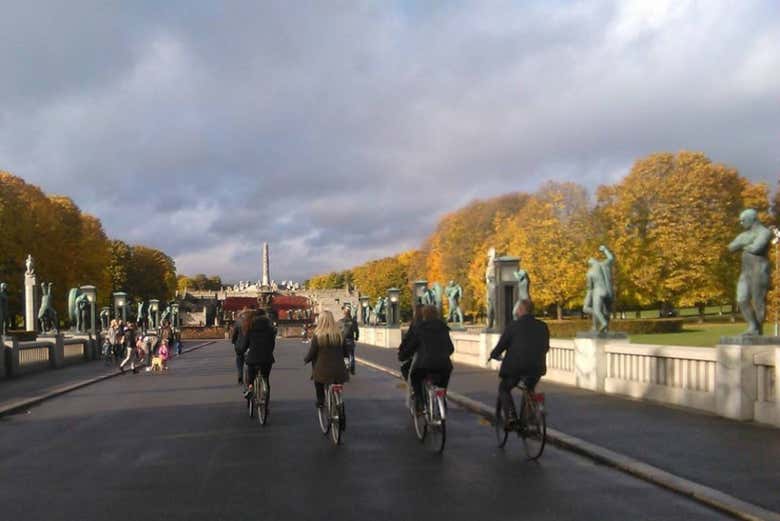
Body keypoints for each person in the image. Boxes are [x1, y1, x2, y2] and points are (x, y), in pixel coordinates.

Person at [488, 299, 549, 429]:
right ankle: (529, 418)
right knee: (529, 388)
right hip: (536, 368)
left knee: (504, 388)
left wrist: (493, 355)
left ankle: (511, 416)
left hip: (515, 368)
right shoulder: (543, 326)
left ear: (520, 310)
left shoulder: (513, 326)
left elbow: (501, 346)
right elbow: (546, 347)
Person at [398, 305, 454, 415]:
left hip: (424, 364)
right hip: (444, 365)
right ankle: (442, 401)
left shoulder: (420, 328)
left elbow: (411, 346)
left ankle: (420, 401)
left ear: (424, 315)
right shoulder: (443, 328)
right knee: (442, 385)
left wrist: (402, 356)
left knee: (415, 377)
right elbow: (451, 348)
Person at [304, 310, 349, 408]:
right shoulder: (339, 335)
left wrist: (306, 360)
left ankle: (321, 401)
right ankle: (338, 402)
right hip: (339, 370)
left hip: (323, 370)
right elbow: (346, 352)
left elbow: (312, 353)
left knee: (318, 381)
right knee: (337, 383)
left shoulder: (318, 336)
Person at [238, 308, 276, 400]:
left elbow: (244, 345)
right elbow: (272, 344)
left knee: (251, 374)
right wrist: (268, 352)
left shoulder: (249, 328)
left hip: (253, 358)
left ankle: (250, 388)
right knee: (266, 379)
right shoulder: (270, 329)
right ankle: (266, 404)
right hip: (267, 358)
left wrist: (241, 351)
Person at [399, 304, 425, 381]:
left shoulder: (416, 325)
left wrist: (402, 354)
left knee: (406, 370)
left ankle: (414, 390)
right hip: (443, 362)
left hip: (421, 357)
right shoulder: (440, 326)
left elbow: (410, 341)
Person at [338, 307, 359, 374]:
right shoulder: (353, 321)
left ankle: (346, 367)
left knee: (344, 355)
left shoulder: (340, 321)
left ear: (344, 313)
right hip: (350, 340)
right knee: (351, 354)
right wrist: (356, 337)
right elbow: (357, 331)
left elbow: (337, 332)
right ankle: (352, 368)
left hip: (343, 340)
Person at [231, 308, 248, 384]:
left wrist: (233, 341)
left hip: (239, 346)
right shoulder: (251, 322)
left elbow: (234, 334)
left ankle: (240, 376)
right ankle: (249, 377)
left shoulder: (238, 322)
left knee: (239, 361)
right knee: (250, 362)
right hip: (249, 345)